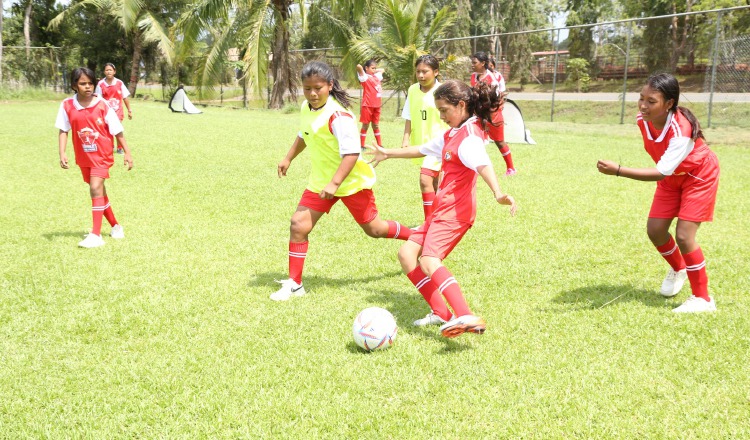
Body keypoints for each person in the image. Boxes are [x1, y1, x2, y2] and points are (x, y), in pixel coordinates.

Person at [369, 80, 517, 337]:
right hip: (442, 210)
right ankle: (442, 313)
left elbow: (483, 164)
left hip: (455, 213)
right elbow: (422, 149)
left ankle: (465, 315)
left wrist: (498, 193)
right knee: (406, 254)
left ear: (461, 105)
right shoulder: (453, 134)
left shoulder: (469, 136)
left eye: (444, 110)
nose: (441, 116)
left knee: (428, 260)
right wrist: (387, 152)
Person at [273, 61, 413, 301]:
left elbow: (351, 154)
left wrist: (334, 184)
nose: (313, 94)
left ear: (330, 85)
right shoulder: (307, 108)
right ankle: (295, 284)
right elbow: (304, 134)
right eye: (307, 89)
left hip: (351, 182)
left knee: (375, 229)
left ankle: (418, 236)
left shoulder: (339, 116)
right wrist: (288, 158)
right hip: (320, 182)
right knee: (298, 225)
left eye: (318, 88)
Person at [597, 73, 720, 313]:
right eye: (641, 98)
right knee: (655, 229)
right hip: (672, 178)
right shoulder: (642, 120)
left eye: (651, 101)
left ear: (669, 104)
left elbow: (662, 171)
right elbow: (664, 166)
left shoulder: (681, 129)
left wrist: (619, 170)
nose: (643, 105)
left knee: (684, 236)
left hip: (698, 176)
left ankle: (703, 299)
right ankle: (679, 268)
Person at [56, 67, 134, 248]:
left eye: (90, 83)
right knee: (99, 192)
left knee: (95, 187)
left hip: (102, 155)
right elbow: (63, 129)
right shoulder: (67, 105)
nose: (88, 87)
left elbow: (117, 130)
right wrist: (62, 152)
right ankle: (115, 226)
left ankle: (96, 234)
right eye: (83, 83)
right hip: (83, 156)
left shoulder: (102, 105)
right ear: (75, 85)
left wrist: (127, 153)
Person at [401, 54, 448, 221]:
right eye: (418, 71)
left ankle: (429, 223)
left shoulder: (443, 91)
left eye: (425, 71)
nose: (420, 75)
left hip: (439, 144)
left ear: (435, 72)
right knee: (435, 184)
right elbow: (409, 115)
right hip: (421, 144)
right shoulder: (413, 89)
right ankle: (439, 219)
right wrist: (406, 139)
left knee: (425, 179)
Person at [470, 51, 516, 176]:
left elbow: (496, 99)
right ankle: (476, 168)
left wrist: (487, 110)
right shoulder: (474, 76)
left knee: (499, 141)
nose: (472, 65)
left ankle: (511, 168)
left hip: (492, 114)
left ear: (483, 63)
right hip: (478, 114)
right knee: (474, 140)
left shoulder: (492, 79)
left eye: (475, 63)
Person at [95, 63, 132, 154]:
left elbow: (125, 97)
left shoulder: (119, 83)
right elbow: (98, 98)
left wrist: (129, 110)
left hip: (118, 111)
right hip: (106, 112)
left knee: (117, 129)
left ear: (114, 72)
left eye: (110, 70)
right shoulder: (100, 84)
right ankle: (109, 147)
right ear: (104, 72)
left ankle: (120, 148)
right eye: (107, 70)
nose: (108, 72)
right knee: (107, 130)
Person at [356, 59, 385, 149]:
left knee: (376, 125)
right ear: (366, 68)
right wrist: (364, 71)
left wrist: (374, 70)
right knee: (365, 125)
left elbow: (383, 70)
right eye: (372, 68)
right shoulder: (364, 77)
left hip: (377, 105)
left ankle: (379, 145)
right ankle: (362, 145)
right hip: (368, 105)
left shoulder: (376, 76)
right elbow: (358, 66)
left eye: (375, 68)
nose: (374, 69)